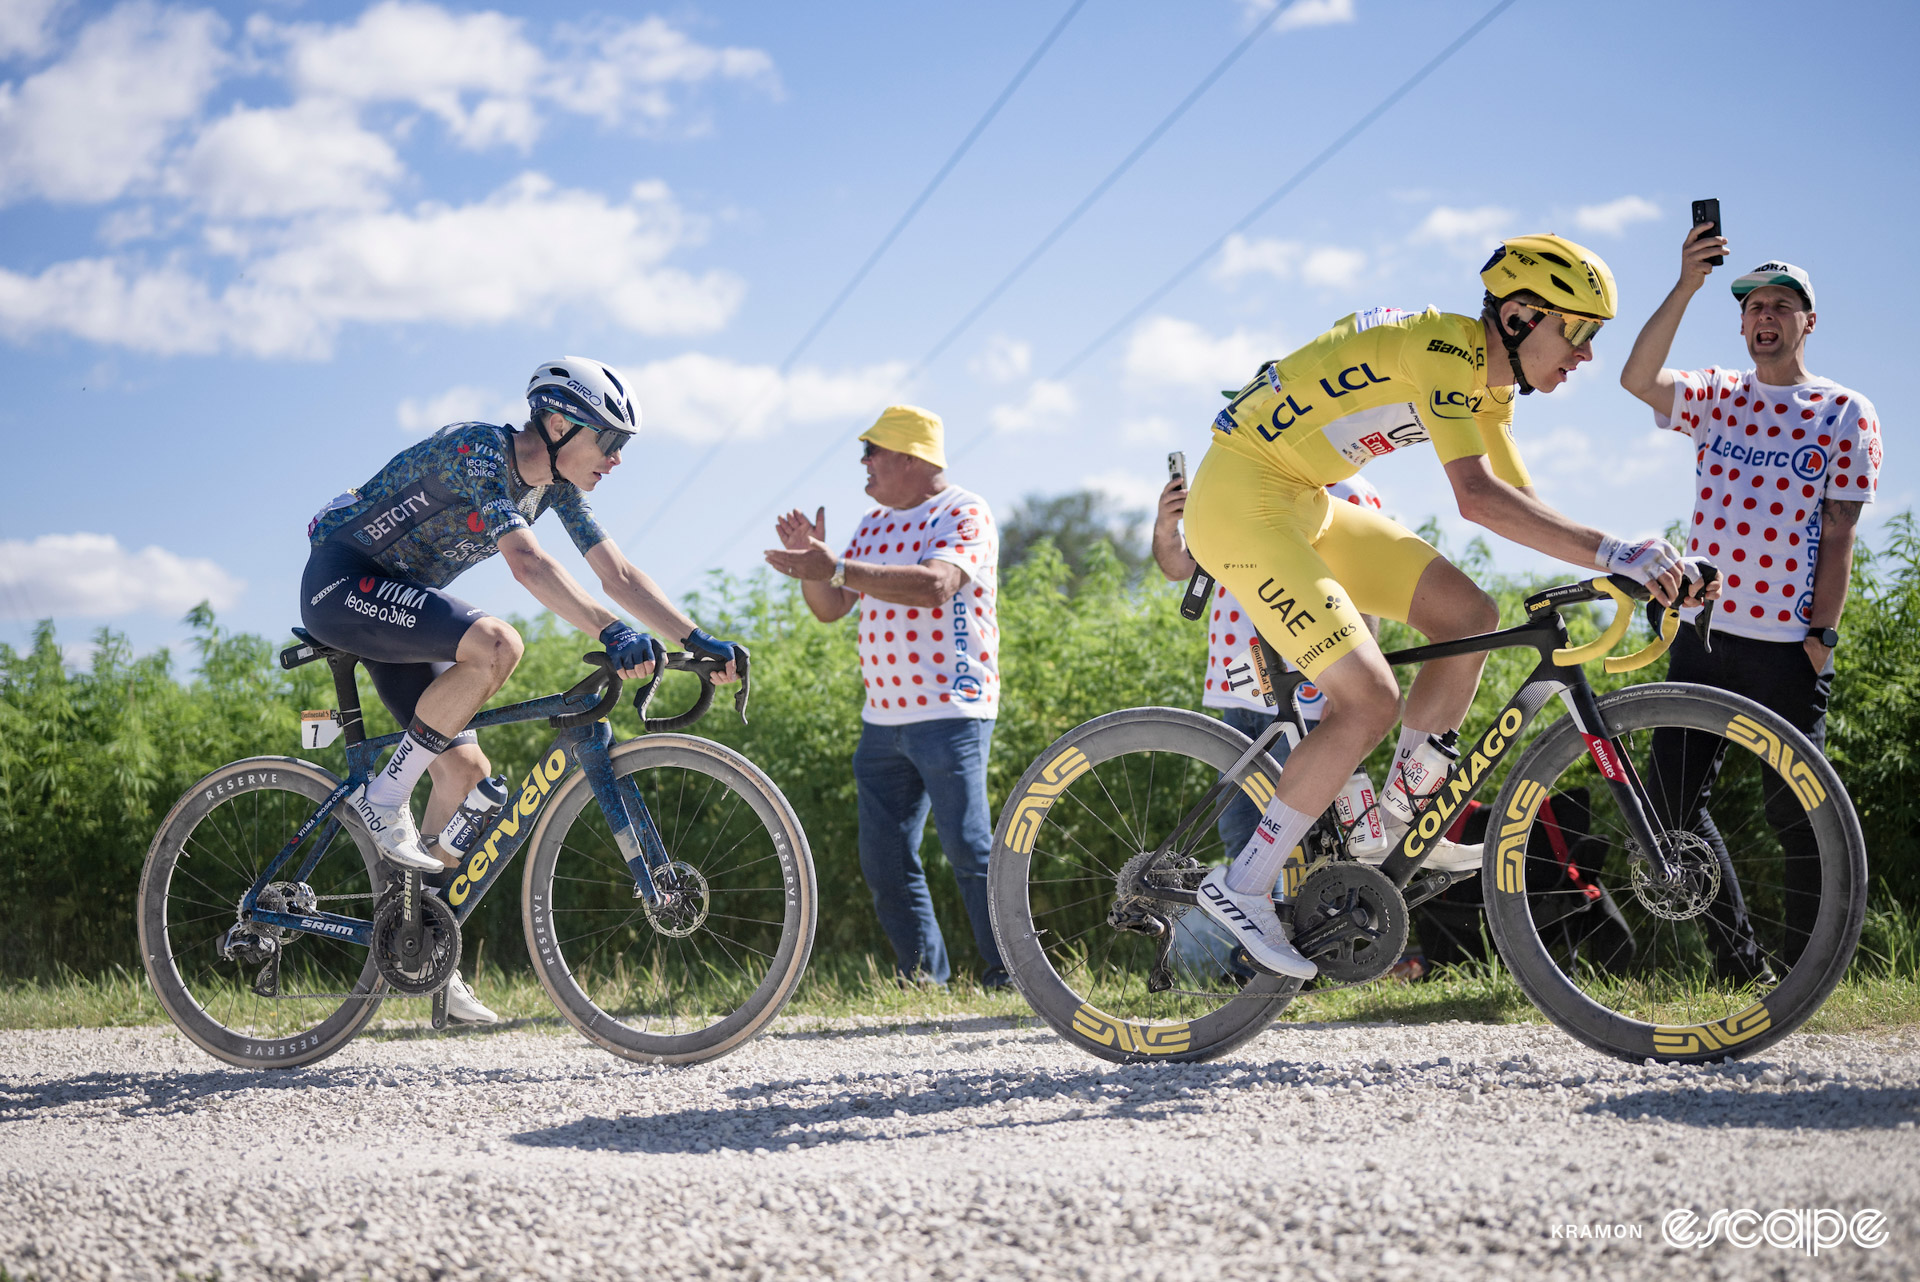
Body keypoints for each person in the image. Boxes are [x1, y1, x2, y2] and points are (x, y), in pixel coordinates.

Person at [1180, 234, 1716, 979]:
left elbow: (1522, 502)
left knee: (1469, 615)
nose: (1588, 354)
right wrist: (1617, 552)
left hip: (1302, 502)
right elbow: (1476, 498)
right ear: (1524, 315)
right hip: (1241, 500)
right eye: (1581, 331)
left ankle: (1406, 812)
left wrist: (1625, 560)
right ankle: (1242, 884)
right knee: (1367, 700)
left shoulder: (1485, 386)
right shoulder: (1444, 347)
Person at [302, 356, 740, 1022]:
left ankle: (419, 951)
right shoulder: (477, 451)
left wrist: (695, 638)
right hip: (342, 586)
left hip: (399, 603)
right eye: (611, 440)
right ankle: (384, 796)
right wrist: (611, 631)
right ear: (560, 423)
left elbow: (616, 574)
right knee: (499, 644)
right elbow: (527, 565)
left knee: (464, 772)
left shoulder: (554, 489)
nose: (618, 459)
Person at [1620, 234, 1881, 974]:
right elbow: (1637, 378)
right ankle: (1741, 965)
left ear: (1809, 322)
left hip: (1786, 649)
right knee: (1666, 808)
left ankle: (1807, 973)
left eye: (1782, 306)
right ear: (1742, 325)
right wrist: (1685, 284)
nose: (1766, 317)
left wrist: (1821, 637)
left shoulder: (1841, 411)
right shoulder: (1718, 395)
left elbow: (1840, 532)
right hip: (1701, 638)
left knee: (1799, 819)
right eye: (1755, 307)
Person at [764, 406, 1006, 989]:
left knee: (971, 851)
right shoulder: (872, 522)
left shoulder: (963, 511)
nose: (864, 463)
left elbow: (937, 585)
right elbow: (830, 609)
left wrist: (838, 565)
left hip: (952, 710)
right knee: (884, 860)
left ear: (911, 457)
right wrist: (813, 567)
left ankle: (1012, 974)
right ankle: (923, 978)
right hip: (883, 720)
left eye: (873, 451)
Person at [1153, 471, 1390, 857]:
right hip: (1239, 688)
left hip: (1310, 690)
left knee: (1312, 842)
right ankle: (1256, 917)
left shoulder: (1347, 487)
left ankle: (1317, 916)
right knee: (1241, 838)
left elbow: (1362, 588)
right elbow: (1178, 568)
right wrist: (1167, 526)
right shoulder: (1238, 477)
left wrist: (1356, 690)